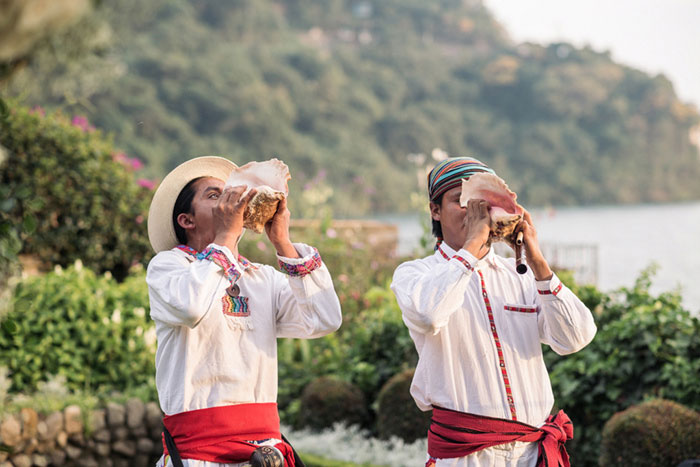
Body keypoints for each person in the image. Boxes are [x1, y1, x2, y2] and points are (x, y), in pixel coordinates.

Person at [390, 157, 596, 467]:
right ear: (435, 210)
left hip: (533, 453)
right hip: (466, 456)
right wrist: (473, 242)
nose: (475, 211)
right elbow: (429, 316)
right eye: (461, 201)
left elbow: (575, 338)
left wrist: (538, 261)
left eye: (481, 202)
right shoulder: (415, 274)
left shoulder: (523, 275)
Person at [145, 156, 342, 467]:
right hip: (198, 457)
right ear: (186, 220)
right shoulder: (168, 267)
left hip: (265, 453)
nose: (229, 201)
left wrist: (283, 243)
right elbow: (191, 307)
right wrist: (224, 238)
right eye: (215, 195)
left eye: (230, 193)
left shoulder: (262, 278)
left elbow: (325, 318)